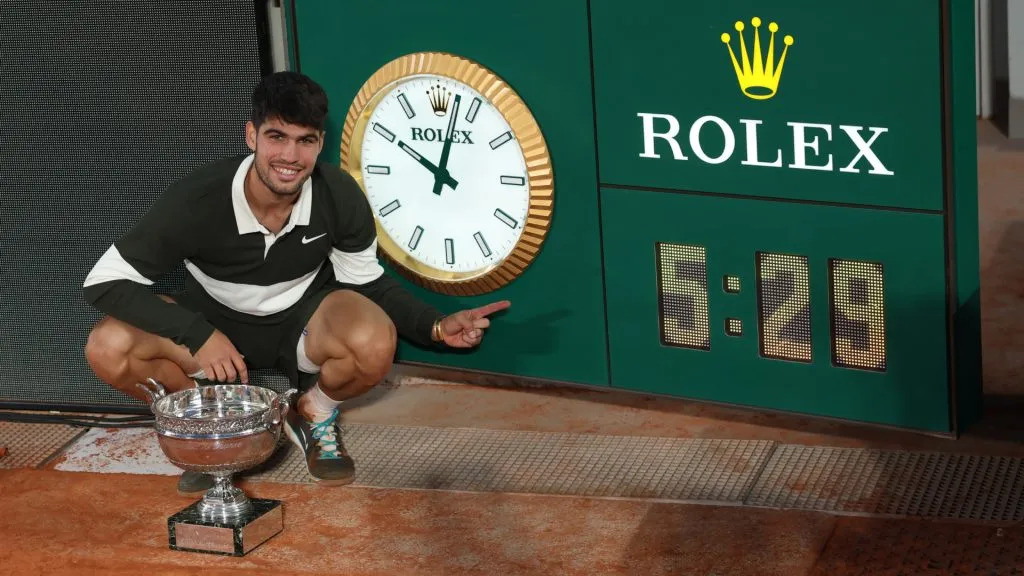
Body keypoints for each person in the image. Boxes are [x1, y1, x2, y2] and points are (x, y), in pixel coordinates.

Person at [82, 71, 510, 496]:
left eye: (305, 140)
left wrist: (435, 326)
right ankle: (206, 421)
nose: (290, 155)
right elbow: (103, 282)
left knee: (375, 339)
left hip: (302, 323)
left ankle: (313, 412)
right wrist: (199, 334)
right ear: (251, 136)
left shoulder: (338, 195)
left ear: (320, 144)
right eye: (277, 137)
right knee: (108, 347)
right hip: (213, 324)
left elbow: (369, 284)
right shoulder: (196, 200)